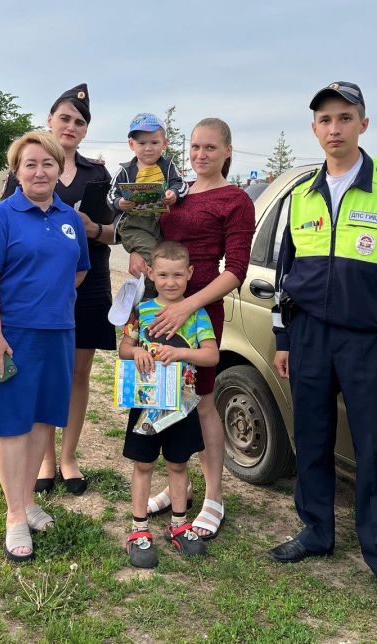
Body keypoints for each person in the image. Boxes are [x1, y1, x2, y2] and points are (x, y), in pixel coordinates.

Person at [268, 82, 377, 617]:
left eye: (345, 118)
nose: (334, 128)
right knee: (312, 438)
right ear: (314, 129)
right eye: (324, 120)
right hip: (310, 338)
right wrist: (283, 337)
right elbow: (284, 272)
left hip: (372, 343)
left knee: (375, 452)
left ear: (363, 125)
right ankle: (316, 530)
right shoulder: (300, 191)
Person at [130, 118, 256, 540]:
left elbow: (236, 270)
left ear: (227, 151)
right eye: (195, 148)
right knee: (163, 394)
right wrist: (134, 250)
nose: (201, 155)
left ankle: (214, 497)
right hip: (160, 309)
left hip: (200, 310)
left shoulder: (235, 199)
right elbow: (142, 228)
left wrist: (188, 305)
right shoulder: (174, 193)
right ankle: (175, 480)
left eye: (210, 148)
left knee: (201, 401)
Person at [0, 131, 89, 562]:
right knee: (10, 424)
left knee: (42, 419)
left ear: (59, 169)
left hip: (57, 334)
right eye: (30, 164)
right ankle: (14, 514)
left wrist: (51, 304)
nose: (40, 172)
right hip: (11, 336)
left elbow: (77, 272)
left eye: (48, 164)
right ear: (17, 172)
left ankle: (28, 501)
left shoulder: (70, 219)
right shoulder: (1, 216)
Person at [1, 84, 114, 496]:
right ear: (50, 120)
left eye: (79, 121)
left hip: (88, 282)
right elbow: (6, 225)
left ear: (85, 130)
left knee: (77, 374)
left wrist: (95, 229)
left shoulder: (97, 173)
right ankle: (44, 459)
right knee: (43, 373)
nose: (71, 126)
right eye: (64, 118)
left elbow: (111, 232)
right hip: (39, 293)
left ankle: (69, 457)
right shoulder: (28, 165)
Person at [119, 241, 219, 568]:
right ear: (151, 274)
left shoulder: (197, 314)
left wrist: (180, 353)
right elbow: (124, 347)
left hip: (183, 405)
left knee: (178, 464)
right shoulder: (142, 310)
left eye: (178, 275)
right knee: (143, 464)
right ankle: (139, 529)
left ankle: (178, 525)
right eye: (162, 275)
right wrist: (137, 352)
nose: (170, 282)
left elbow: (211, 355)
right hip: (146, 403)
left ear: (190, 274)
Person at [108, 112, 188, 297]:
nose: (148, 148)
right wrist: (120, 202)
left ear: (164, 143)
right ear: (131, 145)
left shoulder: (167, 166)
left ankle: (144, 295)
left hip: (159, 222)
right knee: (156, 258)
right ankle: (148, 299)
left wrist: (174, 194)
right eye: (142, 143)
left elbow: (181, 185)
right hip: (134, 225)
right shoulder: (125, 170)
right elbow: (111, 193)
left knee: (166, 259)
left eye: (154, 142)